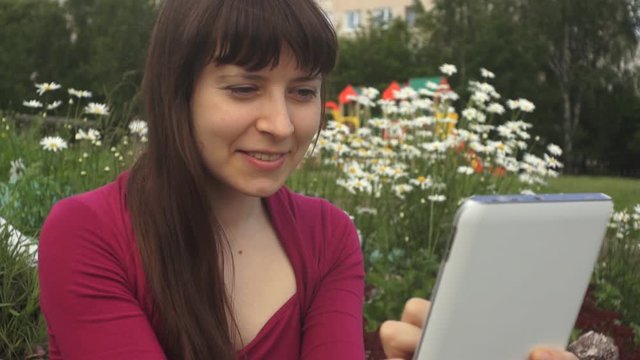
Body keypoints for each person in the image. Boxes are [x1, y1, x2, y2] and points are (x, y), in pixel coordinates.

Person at [37, 0, 580, 359]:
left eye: (302, 91)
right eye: (244, 88)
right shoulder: (91, 233)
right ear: (177, 93)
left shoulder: (329, 237)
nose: (280, 125)